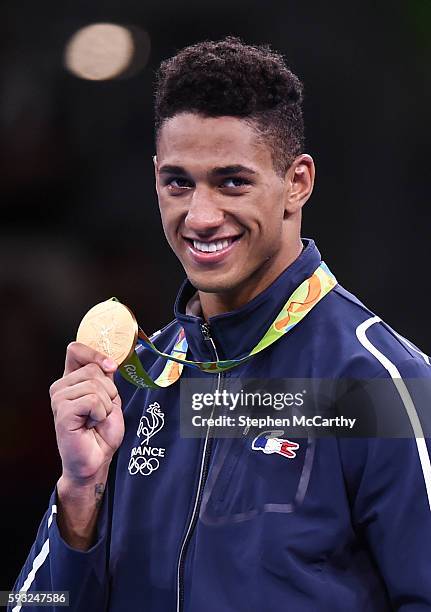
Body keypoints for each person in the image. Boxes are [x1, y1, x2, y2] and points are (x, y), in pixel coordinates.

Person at [11, 37, 431, 612]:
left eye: (232, 181)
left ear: (297, 183)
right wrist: (79, 495)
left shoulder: (382, 386)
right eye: (179, 183)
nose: (201, 216)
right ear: (155, 177)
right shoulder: (130, 384)